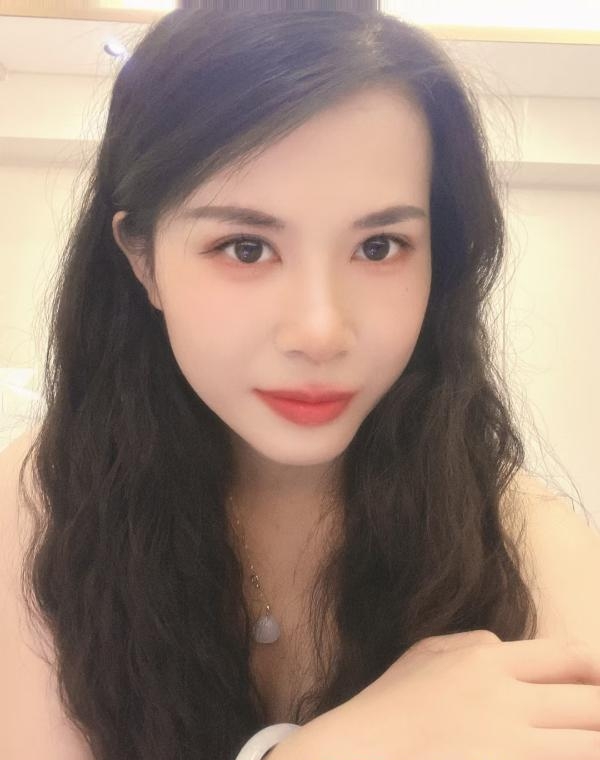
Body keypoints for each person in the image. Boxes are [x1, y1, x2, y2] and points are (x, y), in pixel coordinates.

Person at [2, 6, 599, 760]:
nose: (321, 331)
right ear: (143, 259)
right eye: (245, 248)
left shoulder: (524, 543)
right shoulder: (36, 511)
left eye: (379, 247)